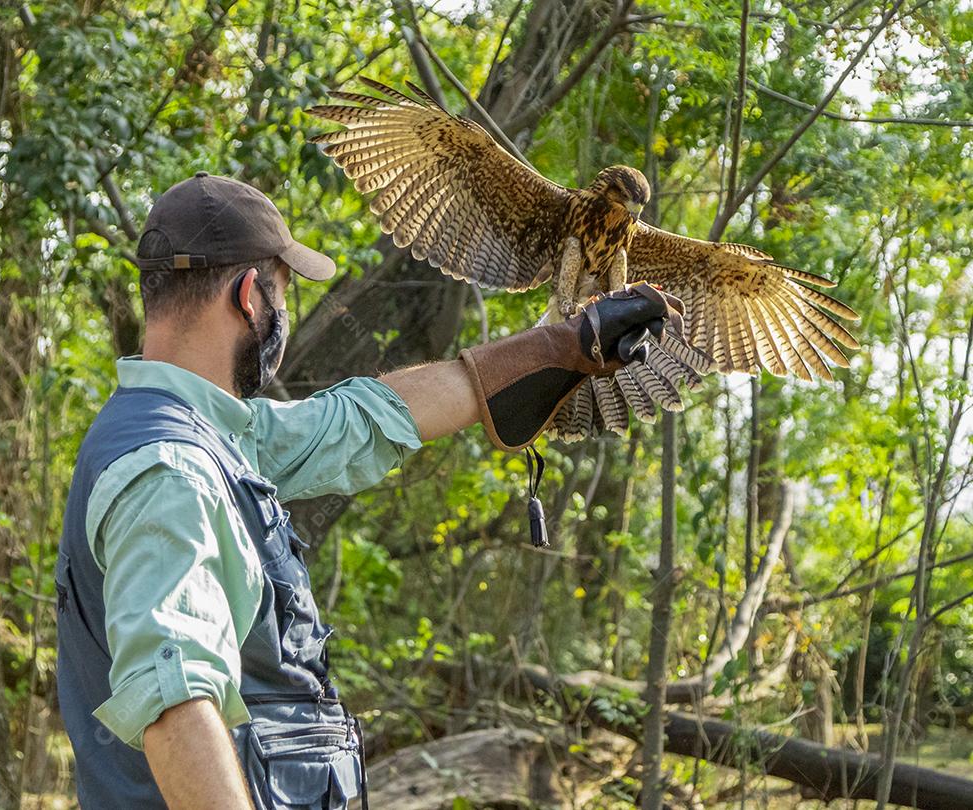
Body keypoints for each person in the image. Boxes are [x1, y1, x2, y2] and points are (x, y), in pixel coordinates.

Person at [55, 172, 677, 809]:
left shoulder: (211, 435)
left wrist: (558, 347)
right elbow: (176, 711)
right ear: (250, 297)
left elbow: (365, 418)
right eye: (283, 293)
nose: (285, 316)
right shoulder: (171, 473)